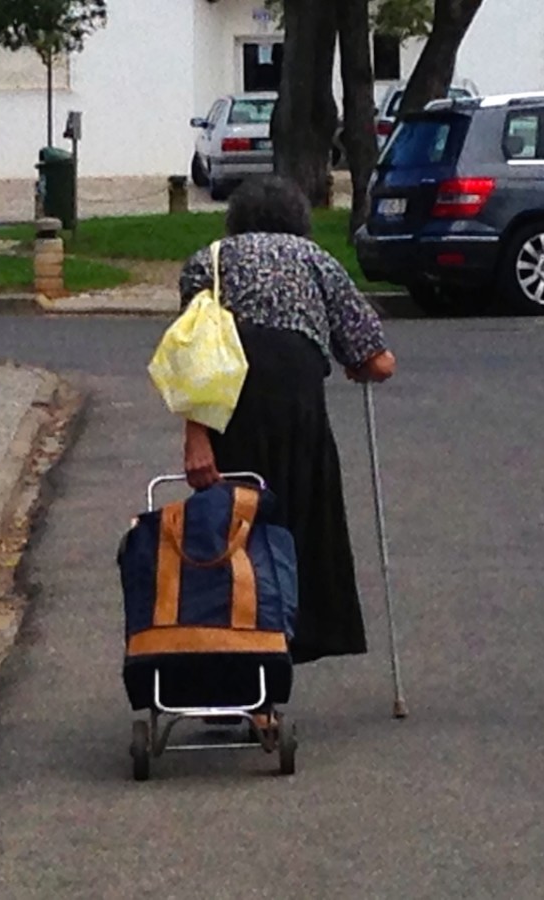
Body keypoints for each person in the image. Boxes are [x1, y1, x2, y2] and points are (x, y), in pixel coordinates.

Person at [177, 175, 396, 664]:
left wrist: (196, 440)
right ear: (300, 220)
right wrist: (356, 363)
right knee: (296, 530)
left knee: (231, 532)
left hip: (228, 408)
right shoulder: (316, 261)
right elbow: (378, 361)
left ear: (235, 221)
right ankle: (286, 643)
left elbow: (194, 357)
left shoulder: (206, 262)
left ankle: (230, 656)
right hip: (296, 405)